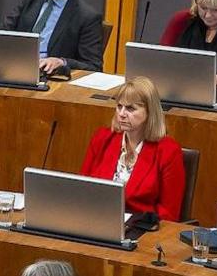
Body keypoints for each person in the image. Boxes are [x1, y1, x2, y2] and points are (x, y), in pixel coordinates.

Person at [79, 76, 186, 226]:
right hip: (96, 222)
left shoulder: (168, 151)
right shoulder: (102, 138)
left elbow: (169, 214)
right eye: (119, 106)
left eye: (130, 108)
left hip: (140, 231)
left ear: (149, 112)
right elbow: (82, 190)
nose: (122, 113)